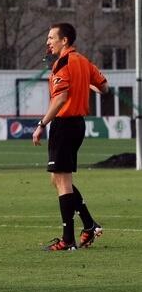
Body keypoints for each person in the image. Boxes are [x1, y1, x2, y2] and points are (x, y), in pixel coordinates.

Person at [33, 23, 108, 251]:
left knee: (62, 182)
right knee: (57, 179)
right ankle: (89, 224)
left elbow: (60, 98)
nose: (48, 42)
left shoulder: (62, 63)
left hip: (64, 125)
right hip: (77, 125)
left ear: (64, 40)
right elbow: (104, 87)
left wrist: (41, 124)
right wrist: (88, 86)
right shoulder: (84, 61)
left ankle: (68, 239)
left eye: (51, 37)